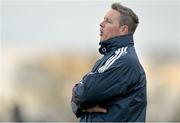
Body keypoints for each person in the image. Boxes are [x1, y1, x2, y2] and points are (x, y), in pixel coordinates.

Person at [71, 2, 147, 122]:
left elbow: (85, 93)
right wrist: (81, 105)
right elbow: (80, 97)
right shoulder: (110, 58)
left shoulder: (124, 60)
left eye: (108, 21)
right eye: (103, 20)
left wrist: (79, 95)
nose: (101, 24)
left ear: (123, 29)